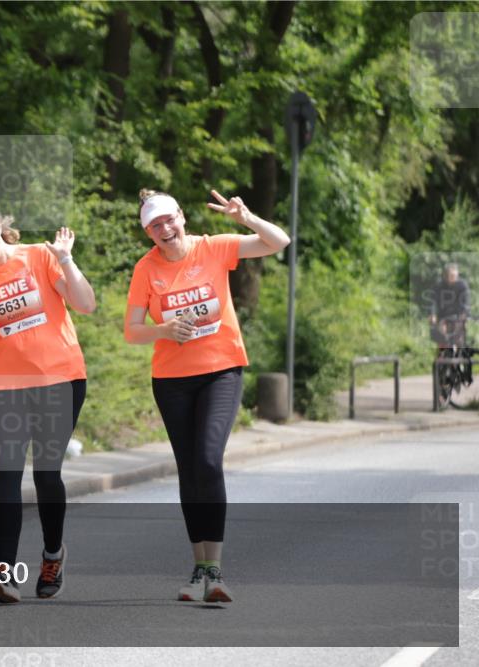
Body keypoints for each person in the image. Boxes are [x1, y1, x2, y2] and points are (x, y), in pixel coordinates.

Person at [124, 188, 290, 603]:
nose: (165, 229)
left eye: (169, 219)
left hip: (221, 370)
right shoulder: (146, 269)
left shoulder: (213, 248)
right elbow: (132, 330)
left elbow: (279, 242)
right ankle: (198, 568)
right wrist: (163, 330)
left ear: (182, 217)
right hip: (172, 379)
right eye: (154, 225)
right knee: (188, 470)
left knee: (207, 460)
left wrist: (247, 217)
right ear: (148, 233)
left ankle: (213, 569)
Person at [0, 200, 96, 603]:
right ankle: (4, 570)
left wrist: (66, 260)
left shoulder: (41, 257)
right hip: (8, 386)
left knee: (46, 475)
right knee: (7, 472)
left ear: (0, 228)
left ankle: (52, 555)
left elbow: (85, 304)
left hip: (60, 378)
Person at [429, 263, 470, 349]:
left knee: (457, 332)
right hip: (443, 315)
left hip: (457, 316)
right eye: (450, 275)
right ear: (445, 275)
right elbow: (434, 302)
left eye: (455, 275)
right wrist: (433, 314)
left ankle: (458, 351)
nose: (453, 278)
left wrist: (463, 315)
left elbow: (465, 303)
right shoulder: (439, 286)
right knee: (440, 332)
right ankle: (442, 352)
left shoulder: (462, 286)